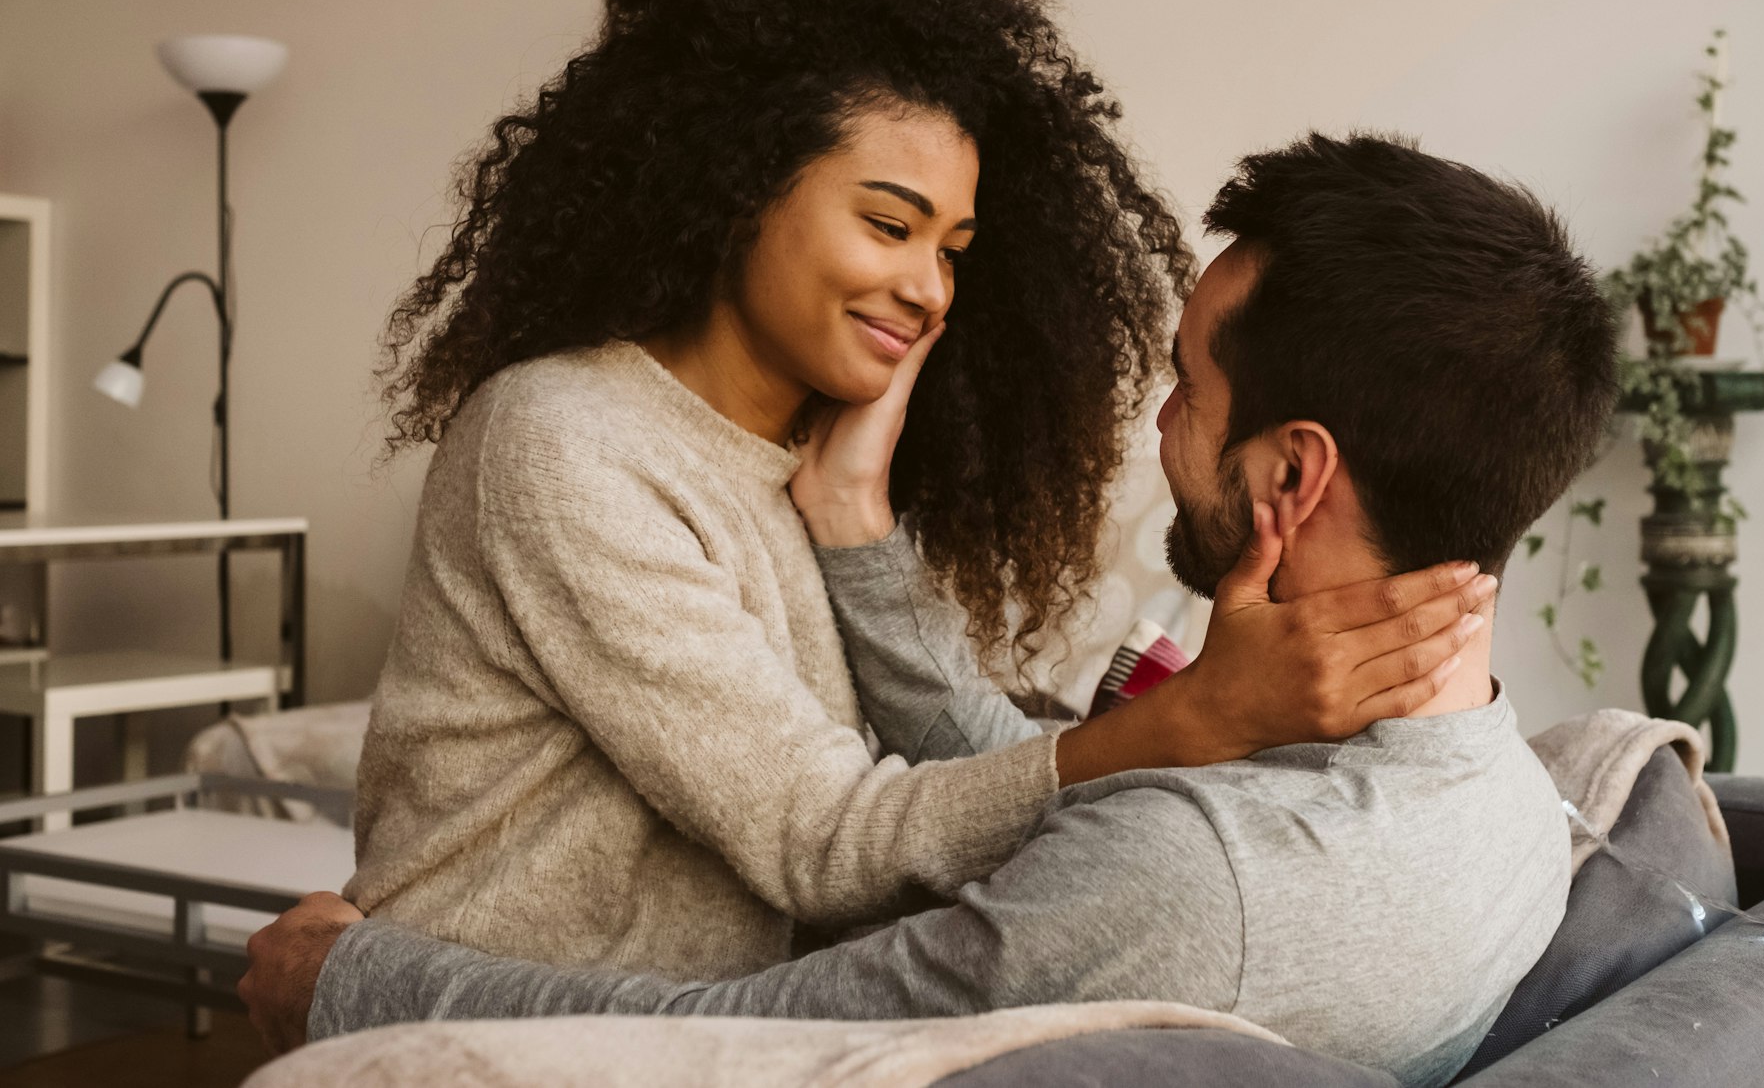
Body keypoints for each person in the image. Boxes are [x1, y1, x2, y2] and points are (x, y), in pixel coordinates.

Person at [244, 132, 1621, 1086]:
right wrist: (857, 528)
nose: (1159, 421)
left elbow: (750, 1043)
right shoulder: (1508, 803)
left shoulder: (1204, 879)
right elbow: (1045, 807)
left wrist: (355, 982)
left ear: (1289, 478)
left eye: (1188, 386)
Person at [344, 0, 1482, 989]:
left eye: (952, 250)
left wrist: (853, 508)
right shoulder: (565, 441)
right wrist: (1193, 720)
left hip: (678, 1034)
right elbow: (825, 838)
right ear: (736, 193)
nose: (930, 288)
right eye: (890, 226)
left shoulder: (817, 459)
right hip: (462, 1024)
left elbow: (947, 778)